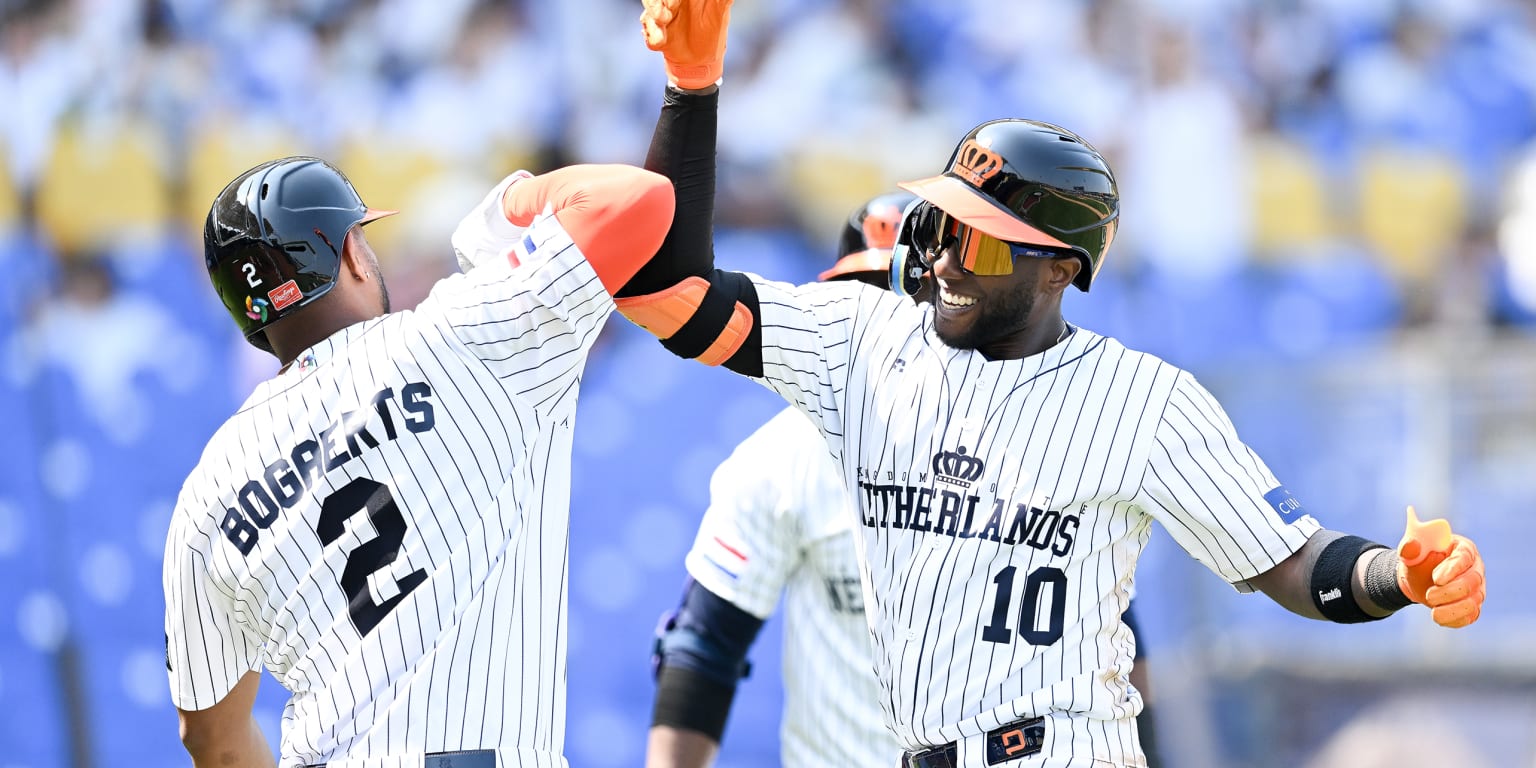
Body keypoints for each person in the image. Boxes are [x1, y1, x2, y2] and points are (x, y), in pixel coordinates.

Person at [618, 3, 1488, 767]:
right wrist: (691, 92)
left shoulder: (1143, 402)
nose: (950, 262)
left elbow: (1292, 563)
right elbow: (668, 292)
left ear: (1061, 271)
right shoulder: (864, 342)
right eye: (943, 226)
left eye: (988, 244)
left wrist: (1395, 576)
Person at [162, 156, 674, 768]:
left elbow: (211, 740)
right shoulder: (455, 334)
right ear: (350, 253)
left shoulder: (205, 492)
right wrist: (496, 216)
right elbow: (640, 198)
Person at [645, 193, 1167, 768]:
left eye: (905, 290)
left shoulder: (1044, 444)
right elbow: (703, 646)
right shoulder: (781, 457)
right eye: (863, 290)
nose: (885, 311)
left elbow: (1115, 649)